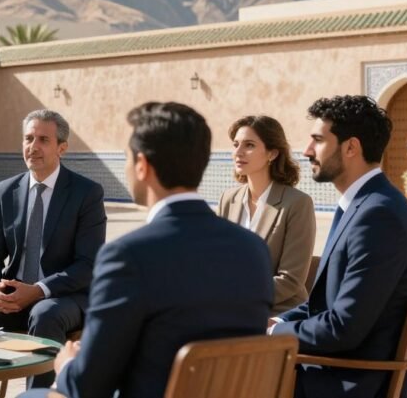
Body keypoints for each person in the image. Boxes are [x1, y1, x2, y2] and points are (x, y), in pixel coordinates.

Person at [39, 102, 272, 398]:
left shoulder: (127, 256)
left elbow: (88, 386)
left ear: (142, 165)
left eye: (126, 157)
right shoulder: (254, 249)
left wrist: (67, 365)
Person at [271, 95, 407, 398]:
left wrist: (273, 334)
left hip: (347, 382)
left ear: (351, 147)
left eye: (318, 140)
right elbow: (327, 304)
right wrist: (279, 321)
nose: (307, 151)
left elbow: (343, 328)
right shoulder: (366, 204)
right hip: (340, 372)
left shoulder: (378, 216)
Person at [0, 109, 106, 397]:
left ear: (62, 148)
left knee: (44, 313)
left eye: (43, 139)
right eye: (28, 138)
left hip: (62, 299)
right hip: (12, 298)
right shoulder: (6, 191)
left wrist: (39, 290)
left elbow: (88, 264)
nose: (33, 146)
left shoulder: (86, 193)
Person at [217, 115, 317, 314]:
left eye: (249, 145)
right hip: (229, 309)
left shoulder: (297, 203)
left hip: (278, 312)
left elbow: (290, 280)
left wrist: (237, 298)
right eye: (236, 144)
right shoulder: (228, 199)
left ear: (272, 153)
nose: (238, 152)